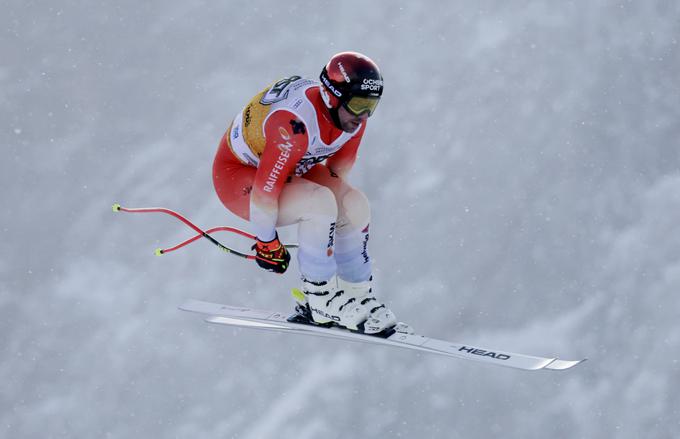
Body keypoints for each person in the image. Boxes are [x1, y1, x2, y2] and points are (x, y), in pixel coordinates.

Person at [212, 52, 410, 336]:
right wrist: (267, 243)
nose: (363, 116)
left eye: (371, 106)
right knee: (318, 203)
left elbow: (337, 183)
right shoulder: (293, 125)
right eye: (358, 105)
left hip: (291, 163)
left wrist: (330, 233)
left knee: (354, 205)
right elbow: (265, 194)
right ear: (332, 96)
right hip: (239, 176)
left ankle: (357, 293)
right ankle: (319, 299)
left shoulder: (351, 117)